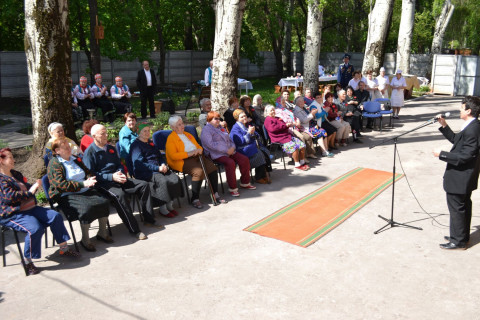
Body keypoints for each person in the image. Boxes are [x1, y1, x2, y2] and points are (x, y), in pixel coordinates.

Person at [0, 148, 79, 275]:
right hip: (13, 213)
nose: (14, 160)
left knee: (55, 216)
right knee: (35, 228)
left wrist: (34, 186)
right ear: (1, 161)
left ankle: (64, 249)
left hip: (30, 208)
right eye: (10, 157)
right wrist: (31, 191)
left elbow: (26, 187)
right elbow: (9, 197)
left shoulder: (15, 173)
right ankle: (27, 261)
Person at [84, 124, 162, 240]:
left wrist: (120, 172)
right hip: (104, 184)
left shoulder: (110, 148)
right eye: (103, 134)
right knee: (119, 196)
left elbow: (119, 164)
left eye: (106, 132)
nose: (106, 135)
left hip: (118, 178)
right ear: (94, 136)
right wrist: (111, 177)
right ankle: (134, 230)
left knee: (143, 185)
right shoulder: (89, 153)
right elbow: (91, 175)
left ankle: (149, 219)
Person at [47, 138, 112, 252]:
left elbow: (87, 171)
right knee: (86, 208)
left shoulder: (76, 159)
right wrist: (83, 183)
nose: (69, 149)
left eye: (69, 146)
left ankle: (102, 232)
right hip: (66, 194)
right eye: (66, 148)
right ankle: (85, 240)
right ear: (57, 151)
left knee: (104, 201)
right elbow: (61, 185)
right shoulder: (54, 164)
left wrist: (89, 178)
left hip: (83, 189)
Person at [433, 96, 480, 250]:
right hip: (464, 177)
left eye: (461, 107)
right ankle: (461, 235)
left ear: (468, 110)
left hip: (461, 177)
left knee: (457, 208)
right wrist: (444, 125)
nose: (459, 109)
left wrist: (442, 154)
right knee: (463, 207)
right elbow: (457, 141)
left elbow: (467, 155)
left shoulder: (473, 129)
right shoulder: (470, 125)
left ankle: (458, 241)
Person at [166, 116, 227, 208]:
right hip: (182, 160)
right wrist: (189, 153)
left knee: (212, 168)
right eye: (179, 124)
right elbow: (173, 156)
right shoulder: (171, 138)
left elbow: (198, 146)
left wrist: (199, 150)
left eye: (182, 123)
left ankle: (215, 194)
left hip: (197, 156)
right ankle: (195, 198)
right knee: (198, 172)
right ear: (173, 127)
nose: (182, 125)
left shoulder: (188, 134)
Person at [130, 122, 182, 217]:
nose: (147, 133)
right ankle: (163, 209)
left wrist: (163, 164)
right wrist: (157, 168)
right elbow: (139, 164)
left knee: (174, 179)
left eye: (148, 130)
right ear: (139, 132)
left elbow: (159, 156)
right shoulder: (136, 145)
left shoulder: (150, 143)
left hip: (158, 168)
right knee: (162, 181)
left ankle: (169, 205)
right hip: (145, 172)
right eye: (144, 131)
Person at [201, 111, 255, 196]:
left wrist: (232, 147)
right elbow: (210, 145)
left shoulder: (220, 127)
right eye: (216, 119)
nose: (218, 120)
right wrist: (226, 150)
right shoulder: (206, 130)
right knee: (230, 163)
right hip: (216, 154)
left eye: (219, 118)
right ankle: (233, 188)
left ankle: (245, 183)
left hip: (229, 151)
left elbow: (230, 139)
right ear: (209, 119)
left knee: (244, 159)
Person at [230, 109, 272, 184]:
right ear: (237, 118)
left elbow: (257, 135)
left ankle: (264, 174)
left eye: (245, 116)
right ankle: (259, 177)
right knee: (259, 154)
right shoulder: (235, 128)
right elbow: (241, 142)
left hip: (250, 146)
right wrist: (249, 133)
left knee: (265, 151)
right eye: (242, 117)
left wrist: (253, 133)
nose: (244, 118)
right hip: (242, 150)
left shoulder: (246, 125)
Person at [264, 105, 309, 171]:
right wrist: (285, 126)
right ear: (267, 112)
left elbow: (283, 125)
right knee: (294, 147)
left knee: (302, 145)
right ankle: (297, 164)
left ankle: (302, 161)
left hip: (286, 135)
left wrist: (287, 125)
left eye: (273, 109)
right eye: (271, 110)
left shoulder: (277, 118)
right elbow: (273, 129)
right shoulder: (268, 120)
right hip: (278, 138)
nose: (273, 111)